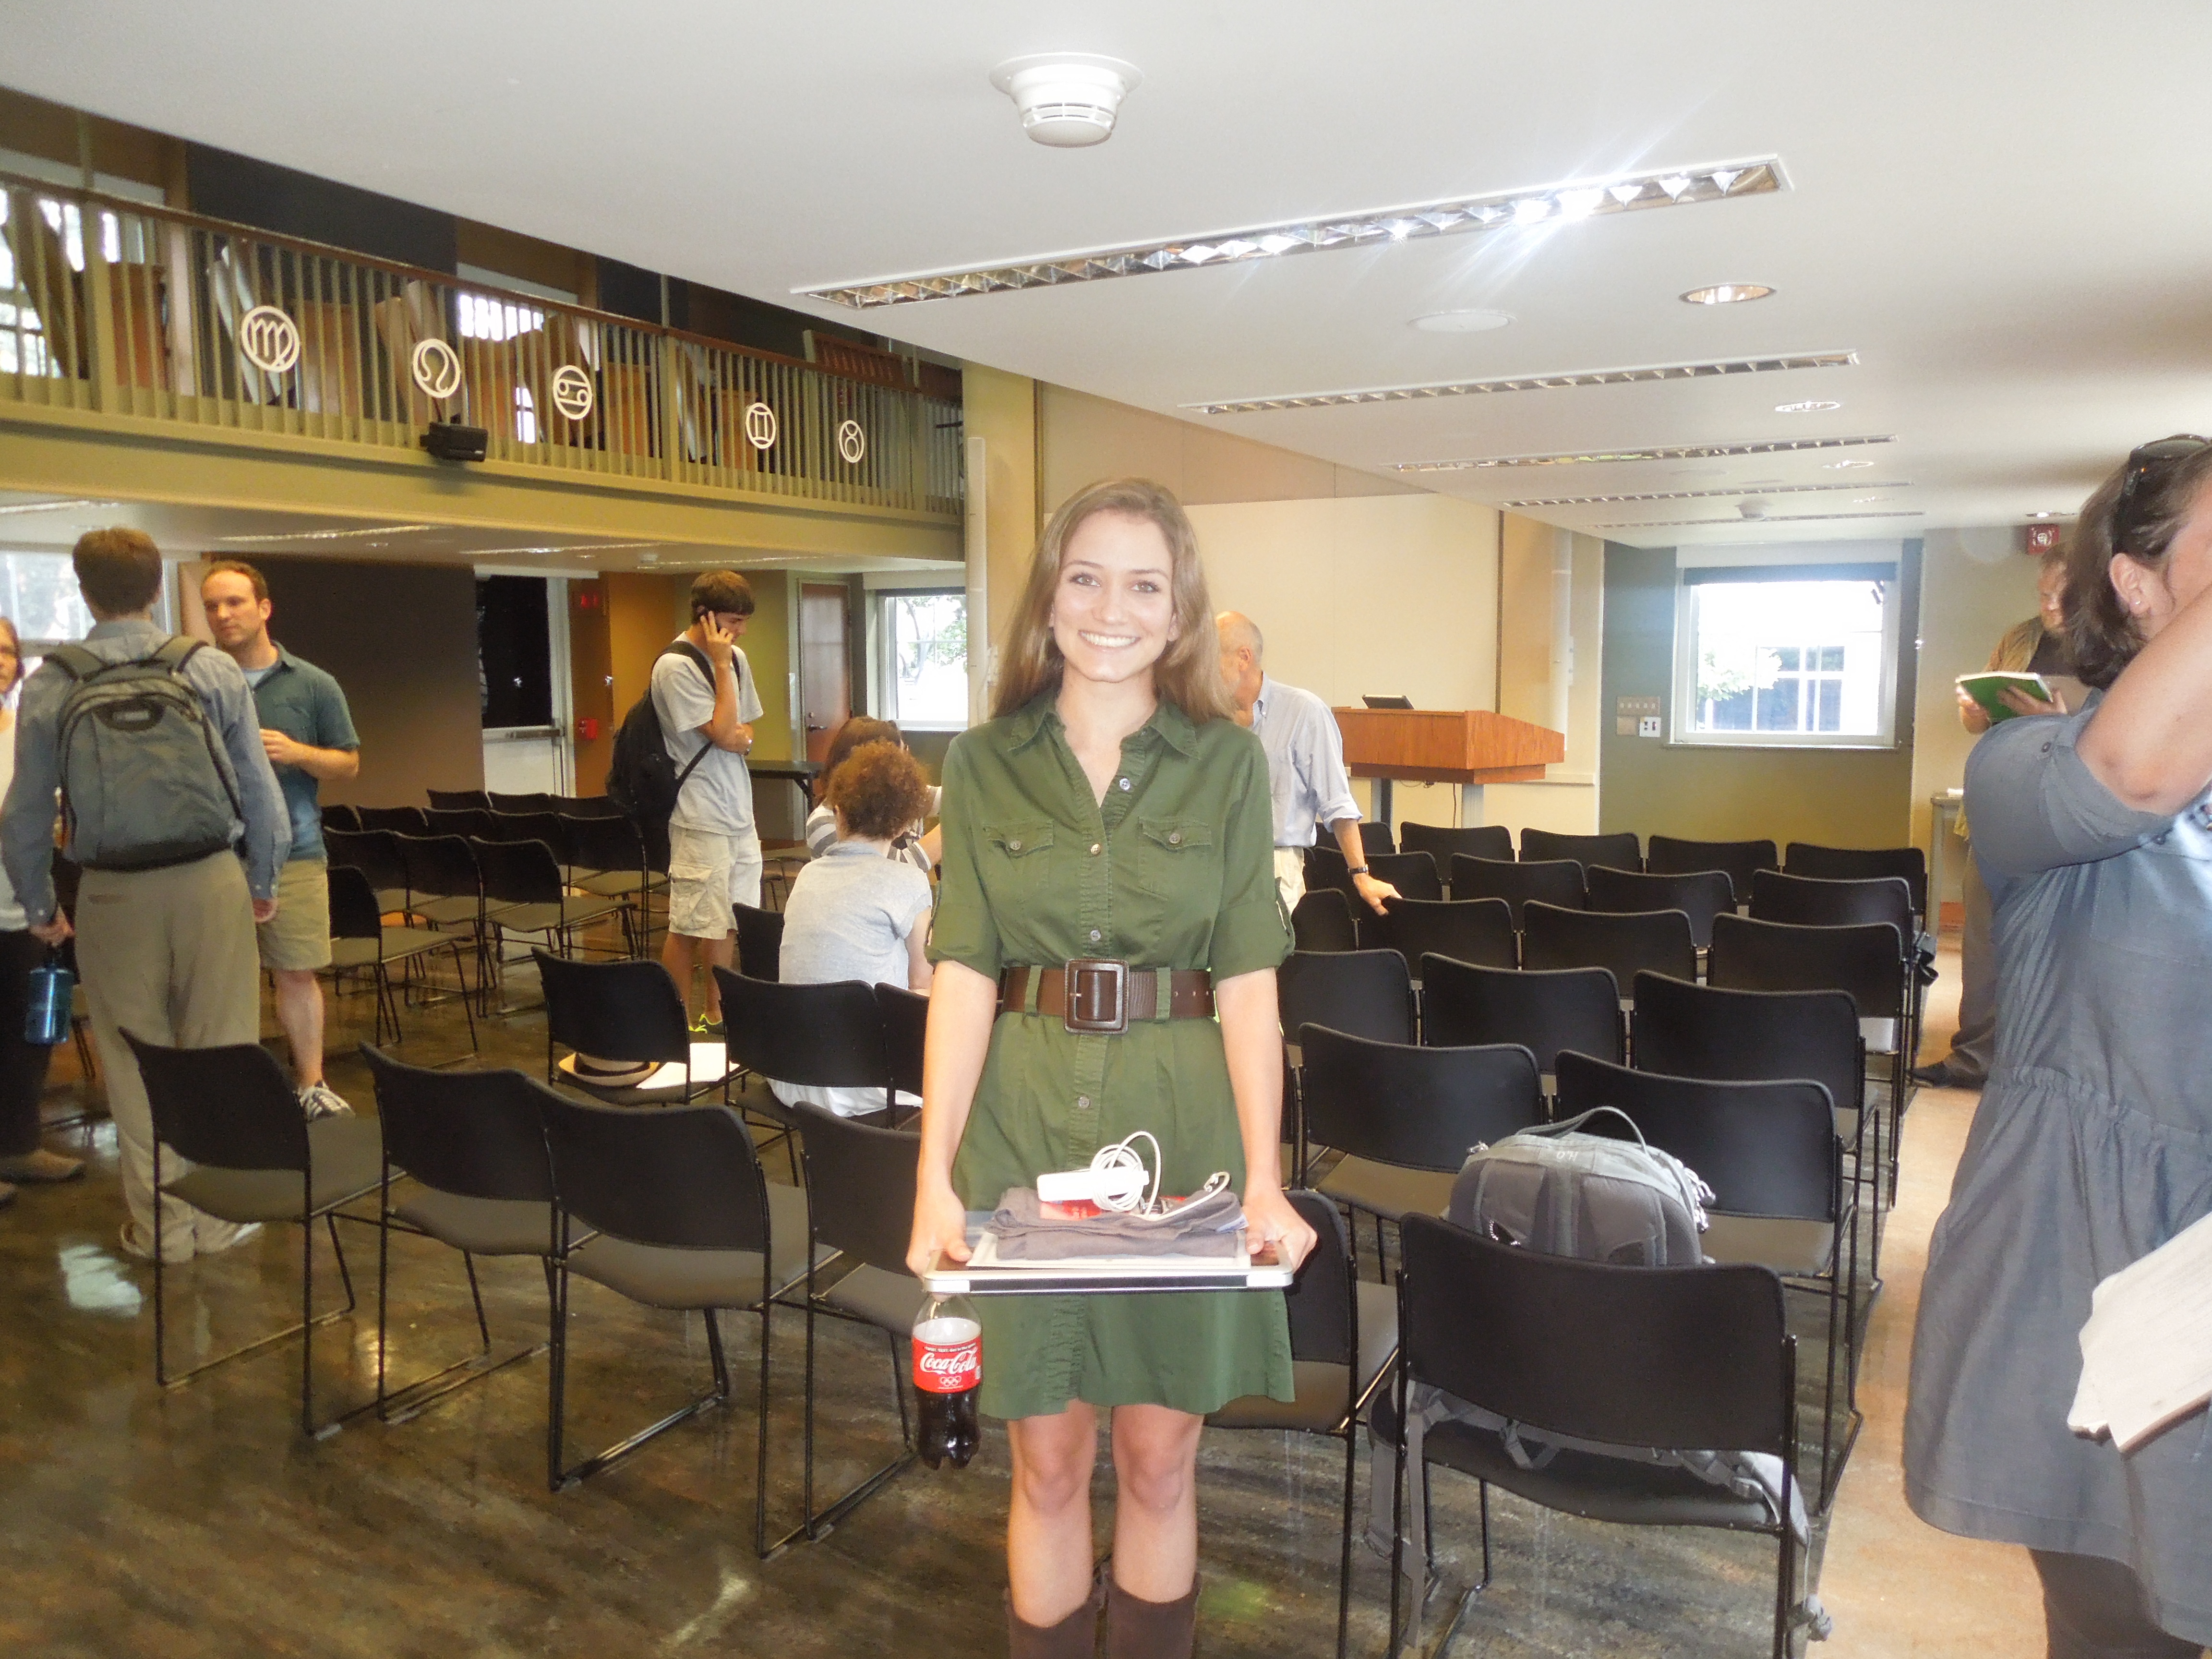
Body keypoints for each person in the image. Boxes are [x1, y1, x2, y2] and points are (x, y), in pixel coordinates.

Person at [906, 478, 1316, 1659]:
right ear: (1048, 597)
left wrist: (1265, 1179)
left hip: (1179, 1134)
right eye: (1086, 577)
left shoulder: (1227, 765)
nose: (1110, 608)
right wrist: (932, 1175)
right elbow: (964, 973)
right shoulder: (982, 763)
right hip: (1021, 1129)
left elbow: (1249, 983)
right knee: (1043, 1459)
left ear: (1178, 611)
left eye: (1144, 584)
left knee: (1158, 1456)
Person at [1904, 436, 2212, 1658]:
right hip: (2114, 1275)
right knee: (2129, 1623)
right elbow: (2129, 773)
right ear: (2135, 584)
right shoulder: (2026, 762)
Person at [0, 529, 288, 1263]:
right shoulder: (209, 668)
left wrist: (40, 907)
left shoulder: (53, 682)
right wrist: (261, 881)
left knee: (134, 1067)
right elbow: (260, 791)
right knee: (221, 1053)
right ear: (159, 588)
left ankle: (164, 1232)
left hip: (112, 894)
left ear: (83, 591)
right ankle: (220, 1222)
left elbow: (24, 816)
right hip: (211, 881)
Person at [1913, 547, 2082, 1089]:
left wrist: (2061, 725)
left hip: (2069, 820)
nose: (2050, 606)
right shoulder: (2021, 638)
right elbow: (1977, 724)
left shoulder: (2116, 644)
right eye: (2043, 594)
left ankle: (2045, 1069)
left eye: (2063, 596)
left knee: (2063, 946)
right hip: (1998, 810)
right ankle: (1975, 1059)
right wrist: (1973, 709)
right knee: (1984, 944)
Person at [200, 560, 361, 1117]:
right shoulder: (195, 682)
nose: (223, 614)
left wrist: (298, 753)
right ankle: (237, 1095)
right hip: (216, 858)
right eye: (213, 606)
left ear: (264, 608)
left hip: (296, 852)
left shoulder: (313, 684)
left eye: (235, 602)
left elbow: (348, 764)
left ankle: (311, 1084)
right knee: (224, 982)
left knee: (296, 970)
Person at [772, 740, 934, 1120]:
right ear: (904, 825)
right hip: (866, 1081)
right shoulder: (910, 881)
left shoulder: (807, 875)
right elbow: (920, 982)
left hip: (789, 1073)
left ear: (839, 812)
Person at [1214, 612, 1397, 917]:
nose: (1202, 668)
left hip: (1274, 868)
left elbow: (1336, 800)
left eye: (1211, 657)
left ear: (1243, 658)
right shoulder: (1207, 716)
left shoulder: (1303, 711)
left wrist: (1361, 874)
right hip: (1212, 865)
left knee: (1264, 948)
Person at [654, 570, 764, 1036]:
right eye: (733, 622)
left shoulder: (737, 658)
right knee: (690, 924)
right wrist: (720, 667)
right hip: (699, 815)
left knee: (730, 919)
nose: (740, 631)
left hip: (738, 812)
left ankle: (715, 1015)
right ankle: (673, 1022)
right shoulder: (675, 666)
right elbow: (722, 732)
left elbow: (745, 729)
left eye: (743, 622)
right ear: (706, 616)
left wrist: (736, 735)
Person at [0, 616, 80, 1209]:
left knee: (31, 1033)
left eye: (5, 651)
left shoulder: (23, 732)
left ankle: (19, 1145)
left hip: (23, 911)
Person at [803, 715, 942, 873]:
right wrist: (953, 823)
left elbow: (951, 797)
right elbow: (899, 868)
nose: (908, 762)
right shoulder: (824, 823)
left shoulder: (895, 796)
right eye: (900, 756)